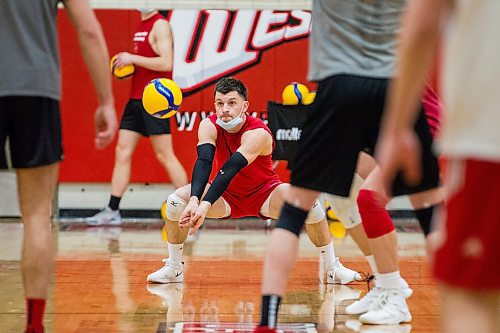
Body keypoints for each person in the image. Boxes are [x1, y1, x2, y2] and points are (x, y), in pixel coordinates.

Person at [255, 1, 442, 330]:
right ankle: (391, 287)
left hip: (372, 98)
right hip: (387, 95)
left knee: (319, 205)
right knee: (359, 197)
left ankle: (268, 322)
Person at [146, 77, 361, 286]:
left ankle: (333, 268)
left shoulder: (258, 132)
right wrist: (194, 200)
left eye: (232, 103)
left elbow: (231, 168)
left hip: (265, 193)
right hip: (226, 196)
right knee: (175, 202)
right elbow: (204, 161)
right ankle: (174, 268)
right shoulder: (208, 125)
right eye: (220, 104)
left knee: (310, 204)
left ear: (244, 105)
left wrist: (204, 205)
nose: (225, 110)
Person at [377, 1, 500, 332]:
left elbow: (423, 20)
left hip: (485, 140)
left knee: (471, 301)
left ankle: (392, 289)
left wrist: (397, 128)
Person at [0, 1, 117, 332]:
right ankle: (34, 325)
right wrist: (106, 101)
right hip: (36, 89)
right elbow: (89, 29)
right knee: (37, 213)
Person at [86, 8, 187, 226]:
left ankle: (189, 206)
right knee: (122, 151)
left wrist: (132, 58)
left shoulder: (160, 24)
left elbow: (166, 63)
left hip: (155, 100)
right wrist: (130, 67)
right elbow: (147, 62)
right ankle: (112, 210)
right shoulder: (142, 24)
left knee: (165, 155)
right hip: (135, 99)